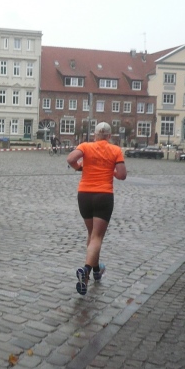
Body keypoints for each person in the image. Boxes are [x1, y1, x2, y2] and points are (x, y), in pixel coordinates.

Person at [66, 122, 127, 295]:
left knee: (92, 235)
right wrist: (111, 171)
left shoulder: (85, 146)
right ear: (109, 136)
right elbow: (122, 175)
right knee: (97, 236)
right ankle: (86, 270)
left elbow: (70, 159)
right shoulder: (115, 150)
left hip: (84, 195)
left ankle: (96, 271)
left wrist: (79, 167)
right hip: (103, 195)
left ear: (95, 135)